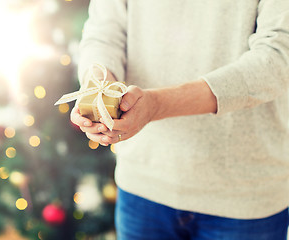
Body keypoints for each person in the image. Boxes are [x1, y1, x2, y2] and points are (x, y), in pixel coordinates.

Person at [71, 0, 289, 239]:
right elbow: (104, 33)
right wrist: (97, 90)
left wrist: (157, 105)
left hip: (245, 197)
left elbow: (278, 57)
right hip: (142, 182)